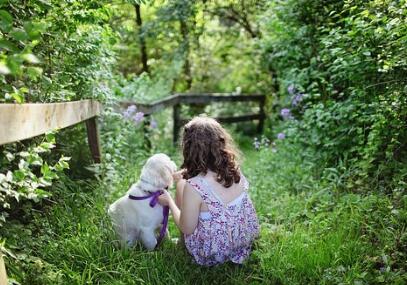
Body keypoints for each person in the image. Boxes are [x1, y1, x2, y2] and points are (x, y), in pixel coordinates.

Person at [158, 116, 259, 266]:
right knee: (187, 187)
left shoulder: (194, 186)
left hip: (213, 252)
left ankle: (182, 244)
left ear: (189, 149)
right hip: (243, 240)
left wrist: (170, 202)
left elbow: (187, 227)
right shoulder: (234, 170)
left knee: (181, 185)